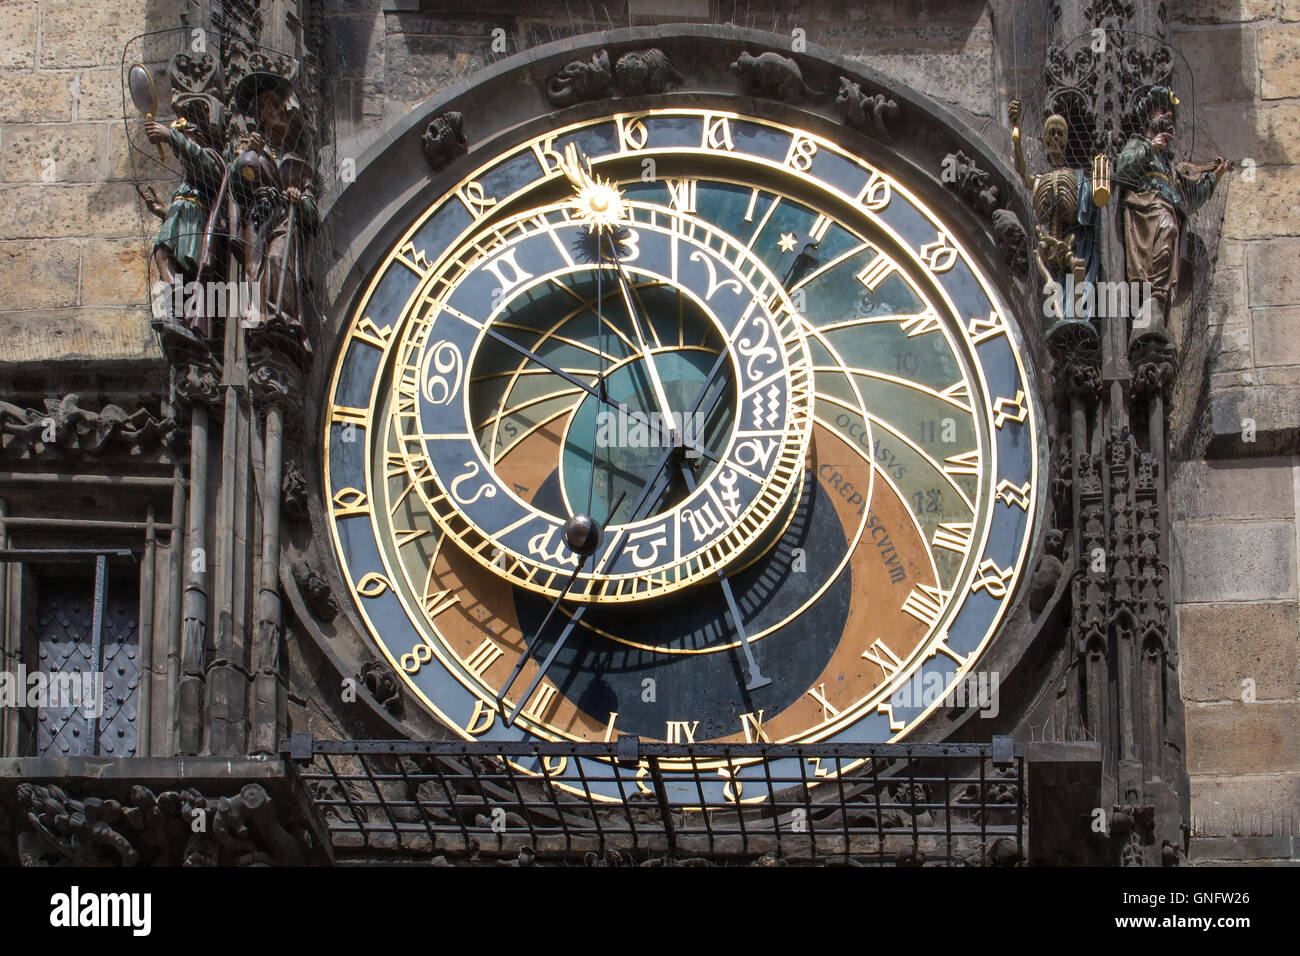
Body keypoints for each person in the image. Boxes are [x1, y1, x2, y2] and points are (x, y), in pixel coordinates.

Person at [1115, 86, 1229, 347]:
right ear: (1149, 116)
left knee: (1170, 233)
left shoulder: (1172, 167)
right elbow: (1122, 168)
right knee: (1167, 228)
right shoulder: (1139, 143)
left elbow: (1187, 201)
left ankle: (1156, 303)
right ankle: (1149, 304)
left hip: (1166, 208)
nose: (1166, 114)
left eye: (1169, 111)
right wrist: (1150, 149)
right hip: (1145, 207)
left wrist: (1214, 177)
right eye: (1161, 109)